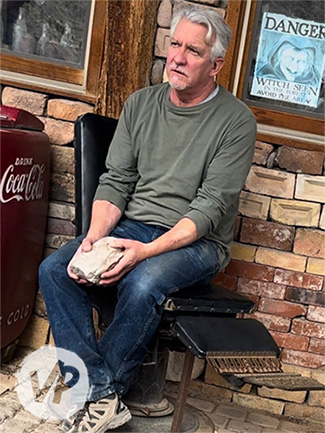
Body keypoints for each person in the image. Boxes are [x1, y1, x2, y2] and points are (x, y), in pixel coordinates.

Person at [39, 5, 256, 433]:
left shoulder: (236, 122)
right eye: (174, 44)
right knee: (57, 269)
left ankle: (97, 397)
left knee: (144, 281)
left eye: (192, 50)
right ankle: (98, 395)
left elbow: (210, 207)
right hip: (132, 226)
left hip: (197, 242)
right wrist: (93, 238)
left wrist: (145, 252)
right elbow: (116, 181)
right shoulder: (141, 104)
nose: (177, 57)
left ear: (216, 65)